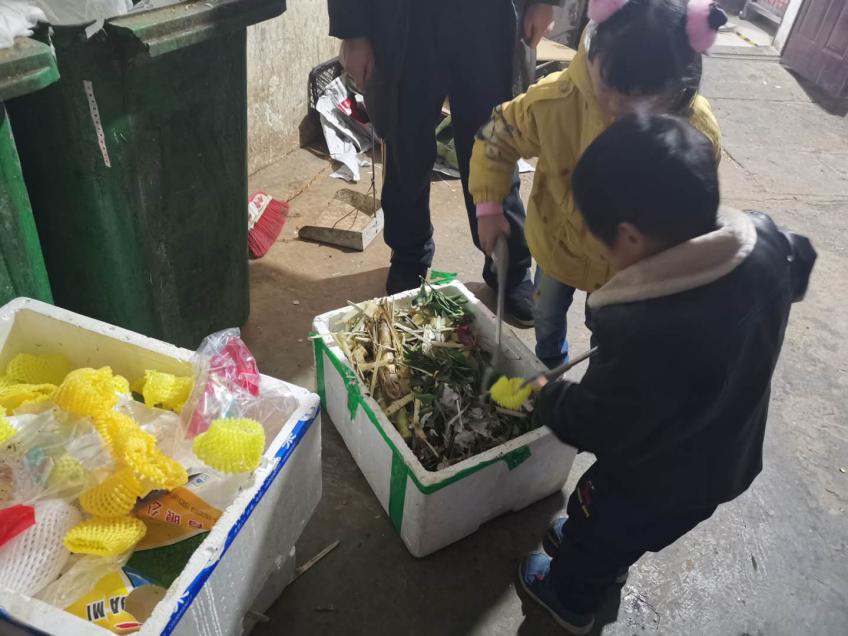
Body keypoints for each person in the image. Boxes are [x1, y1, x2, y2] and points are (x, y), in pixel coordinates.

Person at [516, 113, 816, 634]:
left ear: (630, 236)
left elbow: (595, 422)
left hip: (653, 478)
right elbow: (801, 257)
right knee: (625, 532)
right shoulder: (766, 240)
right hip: (726, 456)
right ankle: (607, 555)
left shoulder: (644, 329)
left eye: (599, 239)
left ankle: (569, 597)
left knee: (600, 529)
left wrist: (545, 395)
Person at [469, 0, 726, 367]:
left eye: (634, 107)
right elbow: (498, 135)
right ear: (593, 54)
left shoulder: (695, 132)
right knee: (546, 315)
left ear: (675, 89)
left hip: (627, 268)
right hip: (558, 243)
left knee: (608, 331)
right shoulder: (555, 100)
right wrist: (489, 205)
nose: (611, 110)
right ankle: (548, 367)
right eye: (605, 89)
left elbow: (693, 213)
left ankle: (599, 378)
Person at [327, 0, 565, 324]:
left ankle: (508, 266)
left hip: (487, 15)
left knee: (494, 141)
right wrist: (353, 32)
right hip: (406, 18)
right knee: (406, 146)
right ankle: (409, 255)